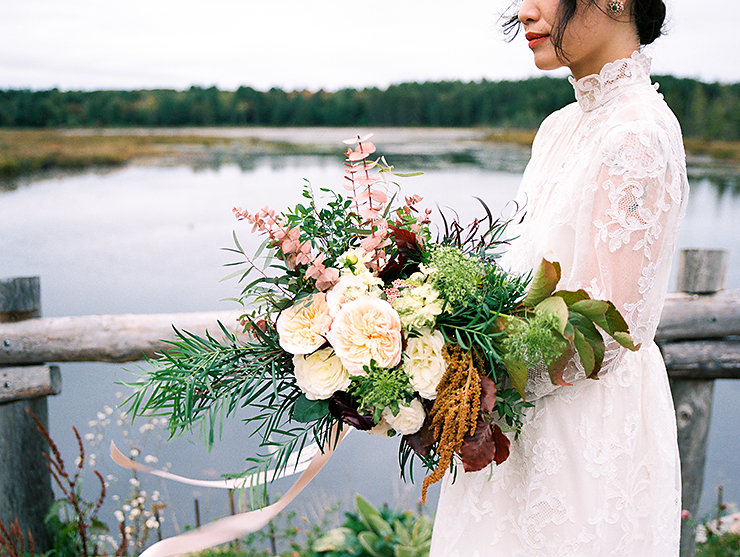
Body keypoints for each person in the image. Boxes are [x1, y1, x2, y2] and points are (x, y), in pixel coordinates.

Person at [430, 0, 688, 555]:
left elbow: (608, 329)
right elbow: (522, 276)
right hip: (514, 426)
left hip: (585, 433)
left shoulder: (639, 134)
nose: (524, 10)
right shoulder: (558, 128)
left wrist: (474, 381)